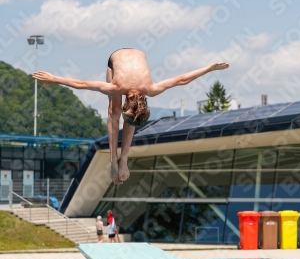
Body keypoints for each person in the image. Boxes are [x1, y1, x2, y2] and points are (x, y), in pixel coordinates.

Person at [32, 48, 229, 184]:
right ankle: (113, 159)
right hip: (115, 59)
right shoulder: (121, 87)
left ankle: (123, 158)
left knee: (128, 114)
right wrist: (54, 78)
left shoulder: (150, 89)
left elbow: (181, 79)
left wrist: (210, 67)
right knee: (114, 110)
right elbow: (83, 84)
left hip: (136, 56)